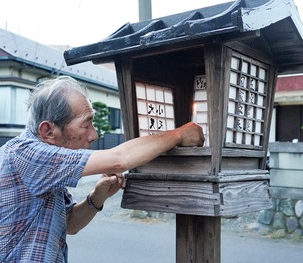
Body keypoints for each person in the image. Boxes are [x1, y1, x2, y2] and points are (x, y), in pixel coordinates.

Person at [0, 76, 204, 262]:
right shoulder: (27, 154)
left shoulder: (47, 163)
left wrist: (97, 197)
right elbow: (119, 160)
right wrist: (179, 134)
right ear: (48, 131)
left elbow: (70, 223)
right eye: (85, 125)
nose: (94, 134)